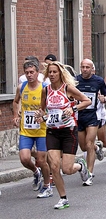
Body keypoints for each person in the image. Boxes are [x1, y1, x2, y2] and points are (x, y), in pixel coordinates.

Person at [34, 61, 91, 209]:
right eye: (50, 72)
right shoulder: (45, 90)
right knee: (54, 166)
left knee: (67, 169)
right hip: (52, 131)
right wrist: (40, 114)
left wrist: (73, 108)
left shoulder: (67, 88)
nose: (52, 75)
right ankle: (63, 198)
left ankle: (80, 166)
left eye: (55, 72)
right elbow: (43, 110)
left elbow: (87, 101)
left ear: (60, 74)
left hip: (68, 131)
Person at [13, 60, 52, 198]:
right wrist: (15, 115)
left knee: (42, 161)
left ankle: (47, 186)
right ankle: (36, 172)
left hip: (42, 130)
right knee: (24, 158)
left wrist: (44, 116)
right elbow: (16, 101)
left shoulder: (45, 88)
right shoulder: (21, 87)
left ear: (37, 73)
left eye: (32, 72)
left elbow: (52, 108)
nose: (29, 75)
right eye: (27, 73)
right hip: (26, 130)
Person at [75, 59, 106, 186]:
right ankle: (97, 147)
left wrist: (104, 99)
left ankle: (89, 173)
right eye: (82, 67)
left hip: (92, 116)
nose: (84, 69)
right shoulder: (75, 80)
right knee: (83, 147)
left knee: (89, 144)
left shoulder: (98, 81)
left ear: (91, 68)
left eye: (87, 67)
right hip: (79, 116)